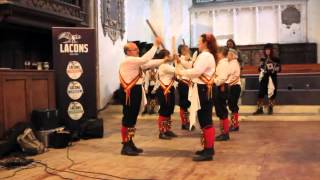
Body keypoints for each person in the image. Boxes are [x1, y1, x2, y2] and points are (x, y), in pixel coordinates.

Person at [119, 37, 168, 156]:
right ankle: (126, 145)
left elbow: (149, 63)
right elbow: (146, 59)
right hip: (129, 93)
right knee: (128, 118)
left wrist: (164, 60)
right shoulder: (128, 61)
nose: (138, 51)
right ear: (128, 52)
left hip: (135, 91)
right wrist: (155, 45)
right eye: (135, 49)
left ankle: (130, 143)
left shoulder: (135, 62)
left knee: (132, 118)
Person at [176, 33, 217, 161]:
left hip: (204, 89)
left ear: (205, 43)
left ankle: (209, 151)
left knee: (205, 120)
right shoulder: (204, 55)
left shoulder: (205, 55)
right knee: (203, 119)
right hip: (202, 89)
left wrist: (180, 72)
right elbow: (193, 66)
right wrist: (180, 61)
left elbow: (196, 72)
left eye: (199, 41)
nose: (198, 44)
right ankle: (207, 147)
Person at [152, 49, 177, 140]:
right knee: (164, 110)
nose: (170, 56)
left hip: (169, 89)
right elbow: (176, 71)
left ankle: (167, 130)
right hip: (164, 90)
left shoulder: (167, 65)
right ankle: (162, 132)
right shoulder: (164, 66)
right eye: (168, 55)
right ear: (164, 57)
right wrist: (178, 61)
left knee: (169, 109)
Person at [253, 43, 281, 115]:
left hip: (272, 78)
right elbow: (259, 69)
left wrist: (274, 68)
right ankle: (260, 109)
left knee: (272, 94)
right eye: (266, 50)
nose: (267, 51)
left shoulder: (276, 59)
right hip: (264, 78)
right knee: (261, 93)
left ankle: (270, 108)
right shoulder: (263, 59)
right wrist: (261, 67)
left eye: (268, 50)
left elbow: (279, 69)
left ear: (271, 51)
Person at [176, 44, 195, 131]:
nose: (189, 51)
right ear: (183, 51)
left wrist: (190, 59)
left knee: (189, 103)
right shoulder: (179, 59)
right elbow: (189, 66)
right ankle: (184, 123)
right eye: (187, 49)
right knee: (184, 104)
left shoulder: (188, 59)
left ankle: (188, 122)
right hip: (183, 83)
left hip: (190, 83)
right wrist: (190, 60)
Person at [213, 47, 230, 141]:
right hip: (220, 86)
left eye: (217, 53)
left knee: (222, 111)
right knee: (221, 111)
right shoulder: (222, 63)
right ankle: (224, 132)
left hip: (222, 87)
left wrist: (213, 81)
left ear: (221, 53)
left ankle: (225, 133)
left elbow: (222, 78)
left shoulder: (223, 64)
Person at [226, 48, 241, 132]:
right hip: (232, 86)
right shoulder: (232, 63)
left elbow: (229, 75)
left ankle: (235, 125)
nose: (227, 56)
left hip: (234, 86)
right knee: (232, 105)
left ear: (232, 55)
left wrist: (225, 82)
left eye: (228, 54)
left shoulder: (234, 63)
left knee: (233, 106)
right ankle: (234, 124)